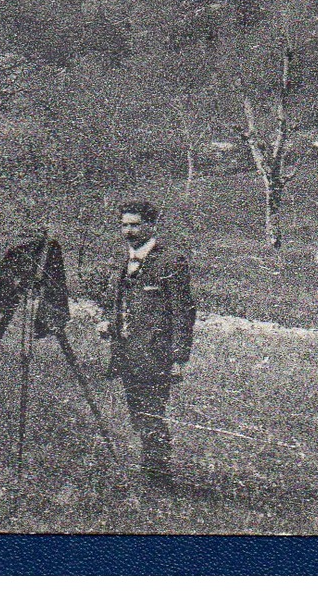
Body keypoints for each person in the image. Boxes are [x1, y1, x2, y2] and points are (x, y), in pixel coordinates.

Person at [99, 200, 196, 483]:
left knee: (151, 413)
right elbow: (114, 302)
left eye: (135, 224)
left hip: (156, 355)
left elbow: (183, 312)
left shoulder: (170, 262)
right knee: (138, 413)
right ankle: (152, 468)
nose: (128, 231)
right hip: (127, 354)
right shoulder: (124, 263)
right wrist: (108, 322)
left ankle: (158, 475)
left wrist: (178, 358)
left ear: (151, 226)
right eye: (124, 225)